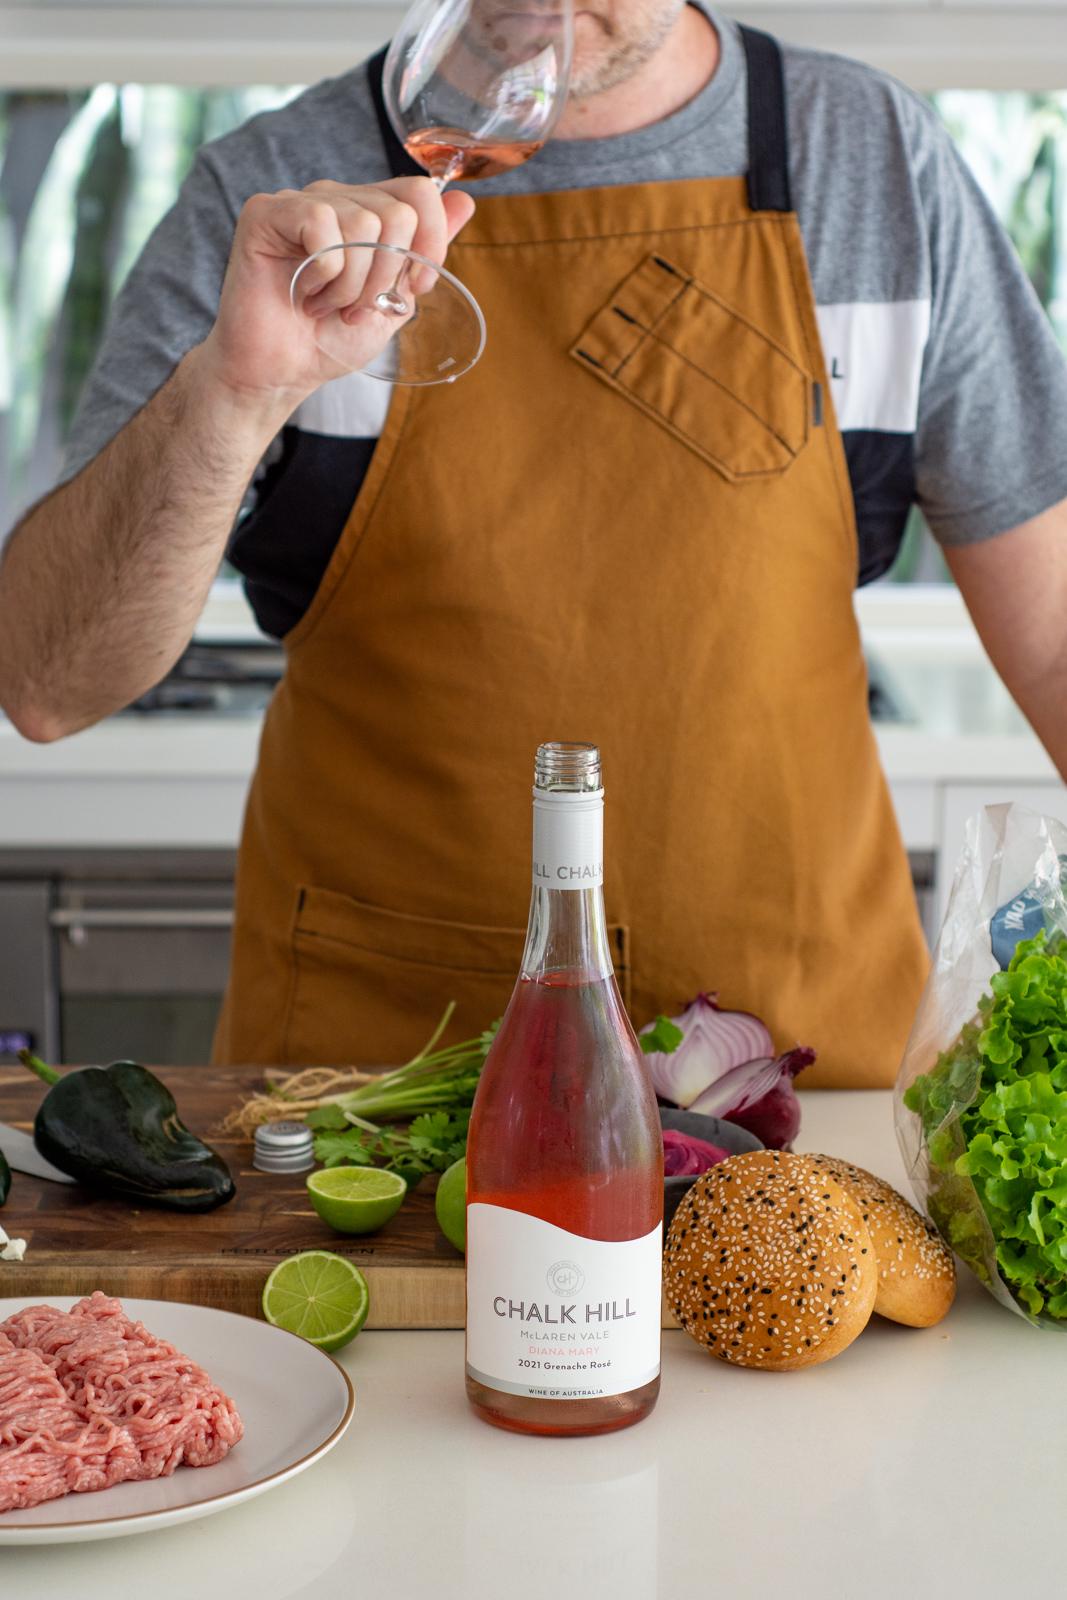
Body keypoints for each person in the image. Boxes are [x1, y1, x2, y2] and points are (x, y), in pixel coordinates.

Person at [2, 3, 1066, 1086]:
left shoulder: (869, 157)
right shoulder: (272, 193)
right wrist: (236, 388)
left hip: (803, 1085)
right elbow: (44, 682)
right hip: (390, 1101)